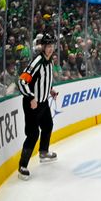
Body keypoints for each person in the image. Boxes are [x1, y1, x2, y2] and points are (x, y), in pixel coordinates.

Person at [16, 33, 58, 181]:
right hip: (32, 105)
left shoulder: (50, 62)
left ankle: (43, 152)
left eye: (52, 46)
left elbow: (44, 80)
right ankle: (22, 166)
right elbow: (21, 81)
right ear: (43, 47)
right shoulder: (37, 62)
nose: (50, 49)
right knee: (33, 134)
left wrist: (50, 90)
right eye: (48, 46)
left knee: (48, 126)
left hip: (43, 103)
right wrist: (31, 97)